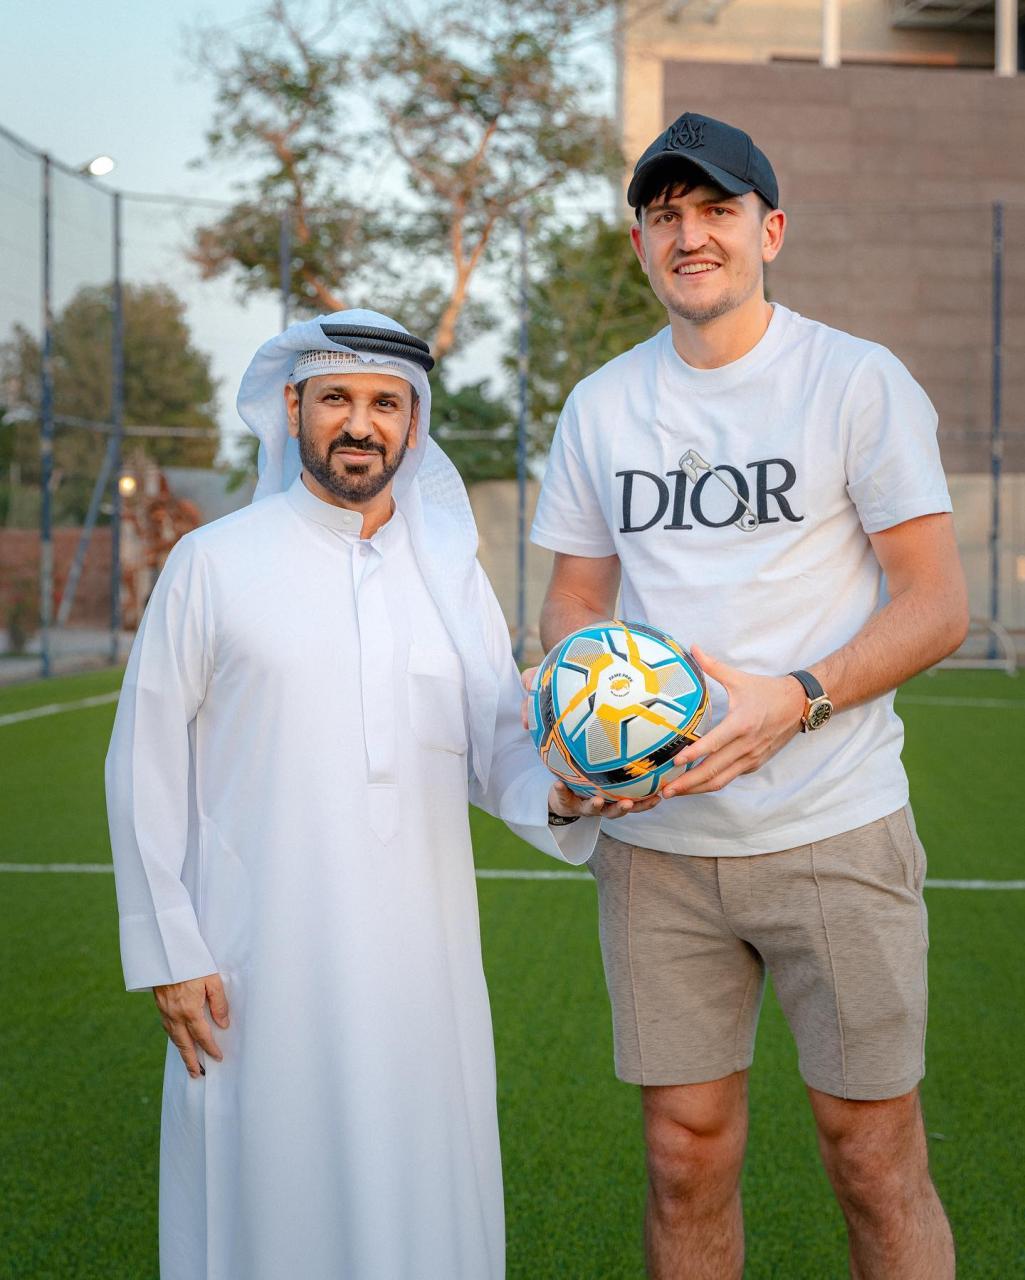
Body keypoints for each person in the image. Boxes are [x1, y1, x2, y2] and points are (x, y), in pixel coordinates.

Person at [105, 308, 653, 1280]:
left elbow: (496, 747)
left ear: (413, 422)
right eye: (338, 400)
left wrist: (571, 796)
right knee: (262, 1202)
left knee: (423, 1201)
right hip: (252, 963)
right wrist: (168, 947)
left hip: (421, 969)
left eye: (384, 404)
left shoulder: (448, 576)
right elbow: (141, 758)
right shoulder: (214, 563)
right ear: (294, 408)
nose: (360, 424)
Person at [530, 113, 967, 1279]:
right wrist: (583, 713)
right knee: (682, 1150)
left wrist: (797, 697)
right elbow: (572, 601)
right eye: (664, 215)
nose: (690, 234)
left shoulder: (853, 379)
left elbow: (933, 604)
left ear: (767, 229)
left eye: (715, 209)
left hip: (832, 820)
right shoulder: (600, 406)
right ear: (638, 244)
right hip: (659, 840)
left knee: (869, 1150)